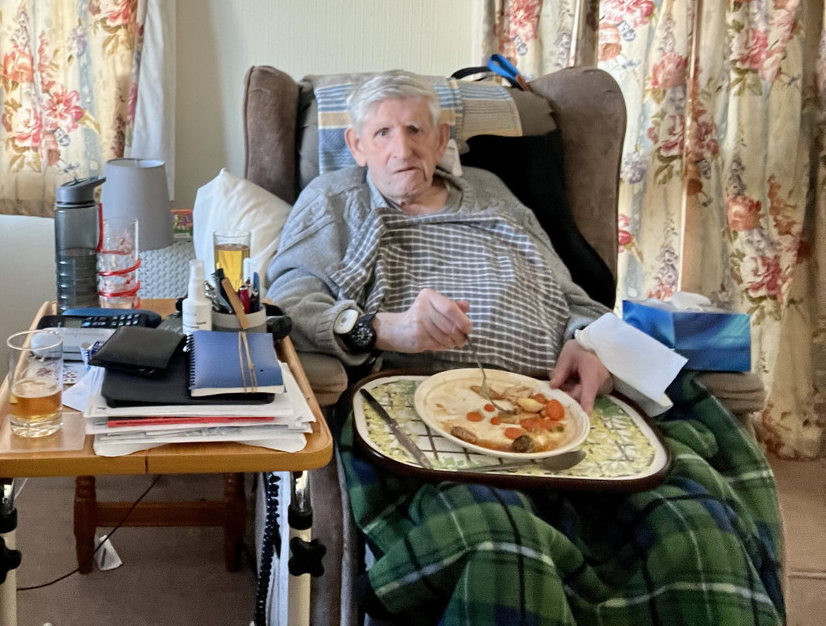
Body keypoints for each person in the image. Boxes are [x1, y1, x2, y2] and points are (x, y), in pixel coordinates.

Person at [267, 70, 784, 625]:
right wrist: (384, 329)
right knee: (503, 548)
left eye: (416, 130)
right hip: (430, 416)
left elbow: (571, 296)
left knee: (696, 532)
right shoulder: (335, 198)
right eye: (383, 133)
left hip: (554, 404)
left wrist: (588, 343)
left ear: (441, 141)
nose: (403, 148)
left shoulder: (491, 192)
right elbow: (289, 297)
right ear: (356, 145)